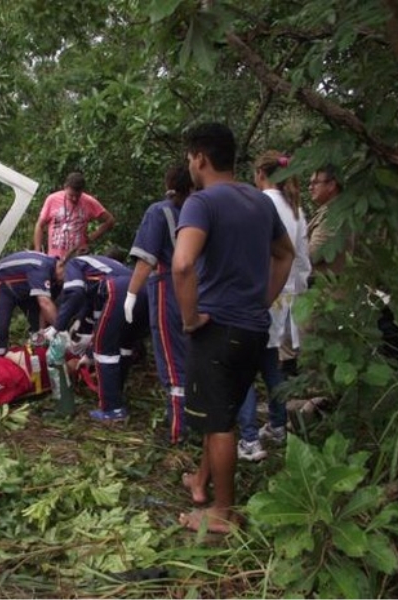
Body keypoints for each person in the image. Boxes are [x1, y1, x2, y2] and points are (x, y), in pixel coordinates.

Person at [172, 123, 294, 533]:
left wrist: (190, 318)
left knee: (220, 423)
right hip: (255, 328)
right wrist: (262, 298)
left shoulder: (201, 203)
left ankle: (222, 513)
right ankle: (201, 482)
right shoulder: (259, 202)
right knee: (219, 408)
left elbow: (183, 263)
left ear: (200, 159)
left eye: (190, 158)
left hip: (217, 328)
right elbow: (285, 253)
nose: (190, 165)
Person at [236, 151, 311, 462]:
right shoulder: (297, 211)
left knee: (242, 368)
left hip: (257, 296)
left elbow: (248, 253)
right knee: (271, 362)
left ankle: (250, 438)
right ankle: (279, 425)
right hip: (286, 298)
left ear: (259, 173)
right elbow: (303, 261)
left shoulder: (258, 204)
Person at [126, 165, 194, 445]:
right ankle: (200, 420)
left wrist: (131, 295)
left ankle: (179, 430)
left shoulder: (160, 211)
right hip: (200, 287)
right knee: (193, 354)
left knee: (171, 356)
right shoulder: (200, 210)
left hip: (168, 287)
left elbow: (146, 259)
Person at [49, 254, 149, 421]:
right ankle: (116, 395)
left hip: (119, 290)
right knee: (123, 348)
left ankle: (112, 409)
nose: (60, 282)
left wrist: (56, 327)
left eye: (57, 278)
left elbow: (74, 293)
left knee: (104, 352)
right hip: (142, 291)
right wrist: (88, 355)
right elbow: (97, 323)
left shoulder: (74, 263)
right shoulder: (100, 270)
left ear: (61, 265)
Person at [0, 250, 60, 356]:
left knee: (37, 323)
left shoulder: (57, 278)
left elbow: (44, 308)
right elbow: (45, 303)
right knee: (0, 326)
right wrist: (60, 328)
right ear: (61, 266)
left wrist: (41, 331)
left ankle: (37, 352)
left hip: (26, 288)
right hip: (2, 283)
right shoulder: (41, 269)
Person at [33, 172, 116, 258]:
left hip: (78, 257)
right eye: (71, 195)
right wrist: (37, 252)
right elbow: (39, 225)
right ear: (65, 187)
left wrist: (92, 237)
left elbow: (110, 220)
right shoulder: (52, 199)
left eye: (78, 196)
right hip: (55, 257)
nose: (74, 199)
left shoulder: (89, 201)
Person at [307, 164, 352, 276]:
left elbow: (315, 254)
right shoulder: (330, 211)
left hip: (327, 289)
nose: (310, 188)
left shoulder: (334, 214)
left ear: (331, 185)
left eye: (315, 183)